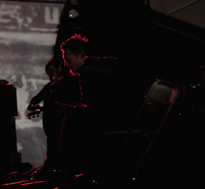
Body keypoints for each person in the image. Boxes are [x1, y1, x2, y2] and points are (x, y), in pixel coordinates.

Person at [58, 34, 148, 181]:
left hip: (116, 121)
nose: (66, 65)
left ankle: (67, 170)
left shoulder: (88, 74)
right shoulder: (108, 62)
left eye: (68, 60)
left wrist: (69, 109)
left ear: (81, 55)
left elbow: (95, 111)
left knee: (72, 120)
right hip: (133, 115)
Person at [27, 58, 80, 173]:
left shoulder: (67, 82)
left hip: (61, 119)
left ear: (59, 68)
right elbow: (36, 99)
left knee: (60, 144)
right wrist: (32, 105)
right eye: (48, 72)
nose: (50, 75)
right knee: (52, 143)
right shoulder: (50, 85)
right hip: (50, 120)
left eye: (52, 71)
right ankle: (52, 169)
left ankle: (59, 169)